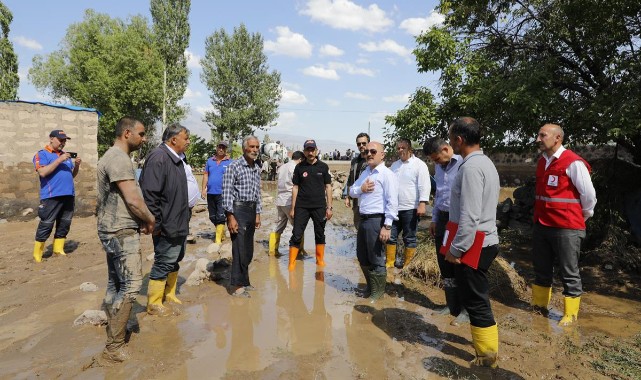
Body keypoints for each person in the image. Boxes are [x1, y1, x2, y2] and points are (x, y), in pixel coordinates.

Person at [96, 116, 155, 363]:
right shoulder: (119, 159)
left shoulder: (111, 156)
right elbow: (132, 199)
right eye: (141, 134)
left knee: (115, 284)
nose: (144, 139)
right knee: (131, 287)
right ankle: (113, 347)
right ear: (127, 133)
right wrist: (150, 219)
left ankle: (114, 327)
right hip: (120, 231)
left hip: (111, 228)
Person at [444, 117, 500, 367]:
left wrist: (457, 248)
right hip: (482, 241)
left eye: (450, 137)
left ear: (459, 139)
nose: (449, 142)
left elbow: (470, 215)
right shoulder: (484, 163)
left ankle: (488, 359)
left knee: (477, 303)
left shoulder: (470, 168)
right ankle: (485, 354)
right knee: (476, 300)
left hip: (475, 245)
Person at [531, 123, 597, 326]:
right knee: (541, 267)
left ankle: (570, 314)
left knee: (569, 271)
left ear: (557, 138)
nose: (538, 139)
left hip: (567, 226)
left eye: (543, 135)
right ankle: (539, 306)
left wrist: (580, 218)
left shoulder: (573, 162)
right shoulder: (543, 161)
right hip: (542, 225)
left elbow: (589, 197)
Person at [139, 124, 191, 316]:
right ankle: (153, 302)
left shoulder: (176, 159)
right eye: (185, 138)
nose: (188, 142)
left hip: (178, 221)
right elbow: (150, 196)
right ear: (173, 139)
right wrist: (156, 224)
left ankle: (169, 294)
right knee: (164, 260)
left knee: (175, 259)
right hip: (166, 224)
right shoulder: (159, 157)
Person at [423, 137, 468, 325]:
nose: (435, 163)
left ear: (445, 149)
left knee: (461, 264)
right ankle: (452, 304)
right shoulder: (440, 169)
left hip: (459, 220)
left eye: (436, 158)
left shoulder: (464, 165)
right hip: (442, 219)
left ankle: (466, 310)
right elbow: (439, 195)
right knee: (444, 263)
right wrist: (434, 219)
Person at [349, 141, 398, 302]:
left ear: (382, 155)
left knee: (376, 257)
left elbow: (393, 202)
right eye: (366, 152)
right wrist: (361, 189)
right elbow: (351, 191)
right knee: (362, 256)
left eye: (373, 151)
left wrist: (387, 225)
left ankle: (378, 292)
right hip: (363, 219)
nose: (369, 154)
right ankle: (371, 287)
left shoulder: (386, 174)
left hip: (377, 221)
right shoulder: (366, 173)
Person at [32, 129, 82, 262]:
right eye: (61, 140)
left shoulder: (65, 156)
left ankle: (58, 249)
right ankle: (38, 253)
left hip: (68, 195)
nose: (63, 143)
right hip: (51, 196)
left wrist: (76, 166)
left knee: (64, 224)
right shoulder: (42, 154)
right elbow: (42, 172)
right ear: (51, 138)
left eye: (65, 140)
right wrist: (59, 160)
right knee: (46, 224)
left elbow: (70, 175)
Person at [222, 135, 262, 298]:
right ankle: (237, 285)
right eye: (251, 147)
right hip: (238, 210)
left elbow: (257, 193)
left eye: (257, 147)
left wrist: (258, 214)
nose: (254, 150)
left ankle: (245, 281)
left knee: (248, 249)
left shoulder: (256, 168)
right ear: (245, 148)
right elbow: (226, 193)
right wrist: (230, 217)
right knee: (239, 248)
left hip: (251, 210)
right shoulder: (234, 166)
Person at [288, 139, 333, 271]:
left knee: (320, 233)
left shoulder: (323, 167)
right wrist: (292, 208)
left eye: (312, 149)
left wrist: (329, 207)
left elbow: (328, 187)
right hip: (301, 206)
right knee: (296, 234)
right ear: (304, 151)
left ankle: (320, 261)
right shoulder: (299, 167)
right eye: (308, 149)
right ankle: (291, 263)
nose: (310, 152)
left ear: (316, 150)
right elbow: (295, 187)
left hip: (319, 206)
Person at [387, 138, 431, 269]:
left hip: (410, 208)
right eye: (398, 148)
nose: (400, 150)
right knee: (391, 236)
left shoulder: (419, 165)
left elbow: (425, 185)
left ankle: (407, 265)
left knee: (409, 237)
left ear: (410, 149)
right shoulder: (394, 166)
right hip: (394, 208)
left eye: (403, 148)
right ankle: (389, 263)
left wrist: (422, 203)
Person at [269, 151, 304, 256]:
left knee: (280, 225)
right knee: (298, 226)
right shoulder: (295, 168)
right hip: (289, 200)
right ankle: (299, 251)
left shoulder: (282, 167)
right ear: (300, 160)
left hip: (280, 199)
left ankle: (272, 251)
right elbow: (297, 185)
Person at [202, 141, 232, 244]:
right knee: (212, 216)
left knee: (220, 216)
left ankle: (218, 240)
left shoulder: (230, 162)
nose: (221, 149)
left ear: (225, 149)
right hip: (210, 193)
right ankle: (221, 232)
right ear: (217, 148)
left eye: (223, 148)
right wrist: (203, 189)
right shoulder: (210, 161)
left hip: (223, 193)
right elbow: (206, 175)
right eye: (220, 147)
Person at [342, 132, 370, 229]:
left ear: (368, 143)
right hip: (356, 198)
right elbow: (350, 179)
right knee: (358, 225)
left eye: (364, 143)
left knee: (369, 227)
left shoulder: (372, 160)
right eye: (359, 144)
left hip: (368, 199)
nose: (361, 146)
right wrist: (347, 196)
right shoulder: (354, 161)